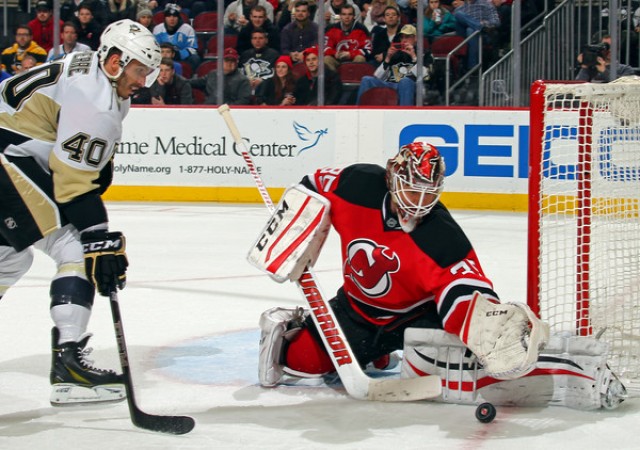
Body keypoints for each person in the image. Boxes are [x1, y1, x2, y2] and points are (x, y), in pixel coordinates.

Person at [256, 142, 628, 412]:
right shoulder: (357, 184)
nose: (418, 199)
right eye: (412, 188)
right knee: (300, 360)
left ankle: (576, 370)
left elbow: (464, 293)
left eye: (427, 190)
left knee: (450, 370)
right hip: (355, 310)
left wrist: (485, 325)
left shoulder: (441, 237)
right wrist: (295, 226)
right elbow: (312, 185)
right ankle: (300, 329)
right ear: (391, 177)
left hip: (416, 318)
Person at [0, 18, 161, 406]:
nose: (143, 81)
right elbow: (73, 186)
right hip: (7, 160)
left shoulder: (91, 69)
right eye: (140, 70)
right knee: (75, 248)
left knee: (9, 260)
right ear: (115, 61)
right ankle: (69, 363)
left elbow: (84, 172)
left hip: (12, 154)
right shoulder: (95, 101)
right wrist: (99, 238)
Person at [356, 24, 433, 105]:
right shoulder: (395, 53)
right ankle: (357, 113)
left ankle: (405, 114)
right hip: (392, 83)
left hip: (413, 86)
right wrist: (388, 58)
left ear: (415, 38)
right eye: (402, 37)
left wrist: (413, 57)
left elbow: (425, 76)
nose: (404, 40)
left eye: (407, 37)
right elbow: (377, 76)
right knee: (366, 80)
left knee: (405, 81)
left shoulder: (425, 53)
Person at [451, 0, 500, 69]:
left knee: (470, 30)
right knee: (458, 14)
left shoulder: (486, 4)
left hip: (482, 35)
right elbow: (452, 25)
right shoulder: (460, 8)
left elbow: (496, 22)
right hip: (463, 35)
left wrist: (485, 23)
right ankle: (479, 27)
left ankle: (472, 68)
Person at [323, 4, 372, 71]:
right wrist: (334, 53)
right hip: (336, 59)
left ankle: (354, 80)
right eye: (344, 14)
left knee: (360, 58)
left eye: (350, 14)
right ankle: (334, 80)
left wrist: (350, 54)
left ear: (354, 16)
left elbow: (368, 50)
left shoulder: (361, 29)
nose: (347, 17)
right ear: (340, 16)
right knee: (326, 59)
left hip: (354, 59)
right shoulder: (332, 28)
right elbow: (325, 47)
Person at [153, 3, 201, 70]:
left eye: (174, 16)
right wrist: (165, 54)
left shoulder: (188, 29)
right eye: (169, 16)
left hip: (182, 57)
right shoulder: (158, 29)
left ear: (179, 17)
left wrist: (178, 54)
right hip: (163, 56)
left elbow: (193, 49)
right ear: (165, 18)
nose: (172, 19)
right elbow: (155, 47)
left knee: (195, 58)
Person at [239, 28, 280, 94]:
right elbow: (240, 73)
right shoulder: (245, 55)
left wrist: (263, 80)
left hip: (267, 90)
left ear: (266, 40)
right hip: (247, 89)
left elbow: (278, 74)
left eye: (260, 38)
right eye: (254, 38)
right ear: (251, 40)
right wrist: (246, 81)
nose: (257, 41)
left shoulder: (274, 54)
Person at [280, 0, 318, 64]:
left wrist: (305, 53)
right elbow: (284, 49)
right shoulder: (287, 29)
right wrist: (291, 54)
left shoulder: (316, 28)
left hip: (311, 60)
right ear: (294, 13)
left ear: (308, 13)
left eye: (303, 11)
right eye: (297, 11)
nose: (300, 13)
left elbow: (316, 46)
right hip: (292, 61)